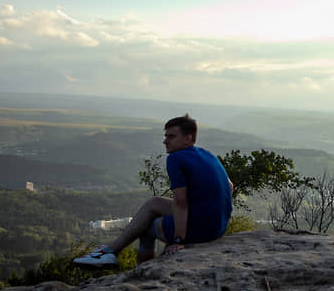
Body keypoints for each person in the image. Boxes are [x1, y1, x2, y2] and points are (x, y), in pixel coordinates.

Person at [74, 114, 233, 267]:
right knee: (154, 203)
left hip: (202, 230)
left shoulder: (176, 158)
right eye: (166, 136)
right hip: (219, 227)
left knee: (147, 228)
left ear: (188, 138)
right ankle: (110, 251)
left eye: (171, 137)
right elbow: (230, 186)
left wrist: (178, 240)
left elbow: (181, 201)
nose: (165, 141)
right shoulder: (207, 154)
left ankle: (142, 271)